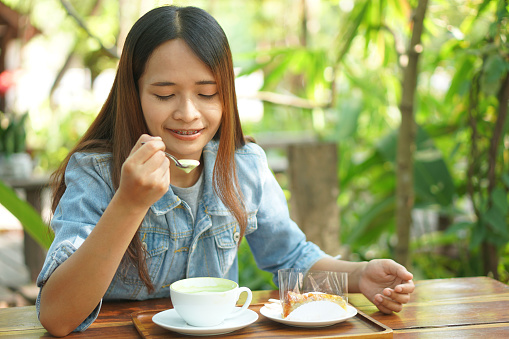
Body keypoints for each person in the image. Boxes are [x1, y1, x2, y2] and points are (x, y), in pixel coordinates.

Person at [36, 5, 414, 336]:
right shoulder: (96, 173)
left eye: (207, 92)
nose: (188, 112)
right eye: (165, 94)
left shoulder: (243, 167)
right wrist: (129, 203)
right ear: (133, 94)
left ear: (227, 94)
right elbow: (57, 316)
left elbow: (290, 257)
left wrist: (358, 275)